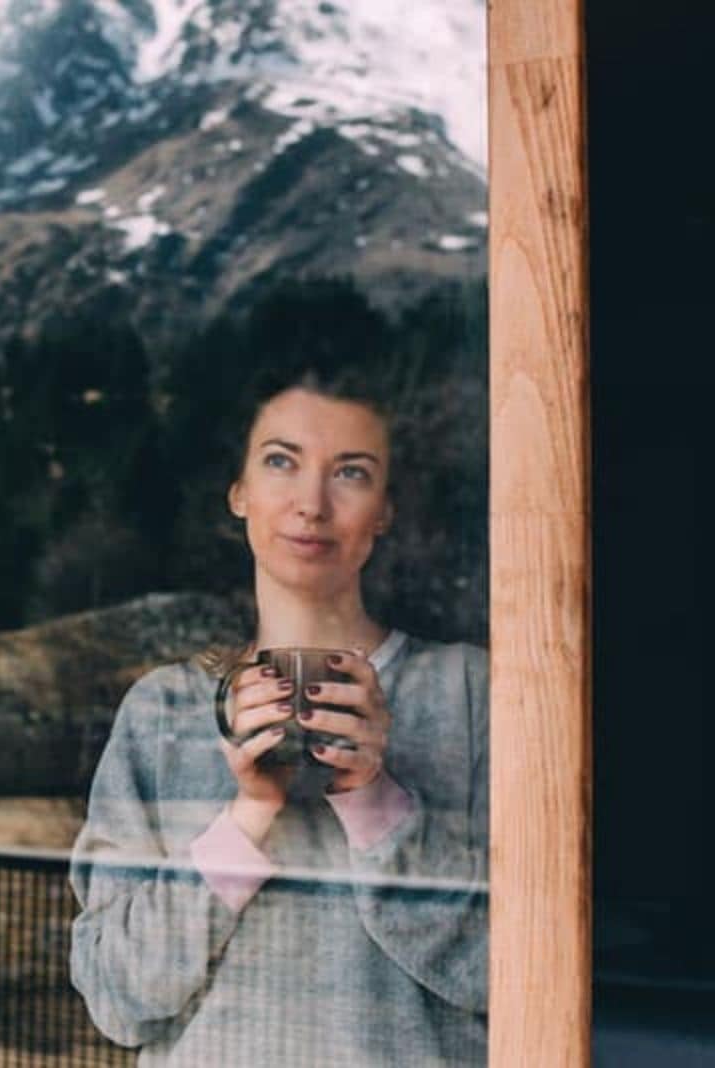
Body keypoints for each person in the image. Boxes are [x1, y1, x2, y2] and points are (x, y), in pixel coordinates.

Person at [69, 366, 488, 1066]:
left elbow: (520, 974)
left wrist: (373, 801)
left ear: (386, 508)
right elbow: (115, 996)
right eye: (279, 462)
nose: (310, 504)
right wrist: (247, 817)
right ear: (238, 492)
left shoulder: (473, 694)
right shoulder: (163, 713)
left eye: (351, 473)